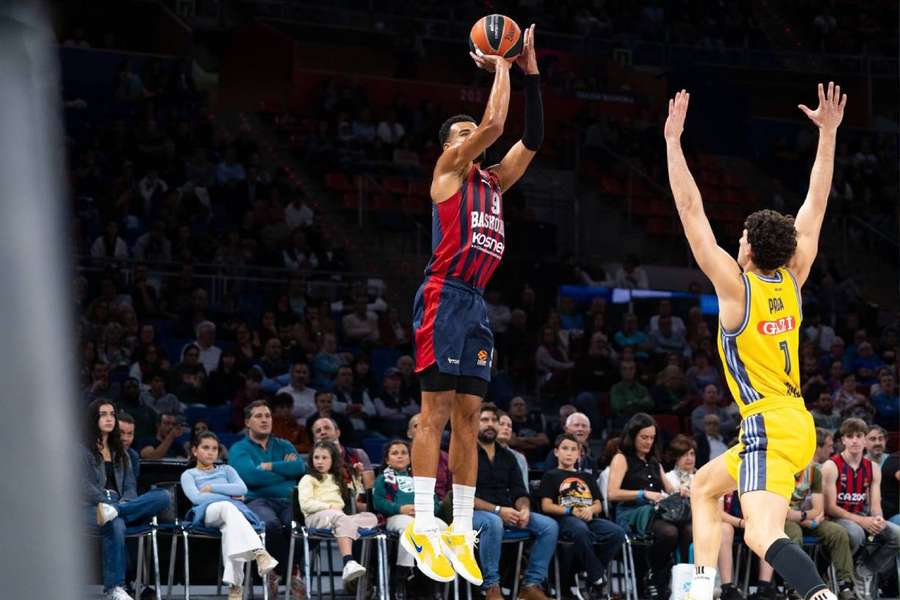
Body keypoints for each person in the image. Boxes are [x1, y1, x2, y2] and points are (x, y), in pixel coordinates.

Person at [665, 83, 847, 600]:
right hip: (791, 424)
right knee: (702, 486)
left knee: (760, 533)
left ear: (746, 247)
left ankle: (820, 596)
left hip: (768, 423)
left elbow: (693, 216)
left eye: (740, 237)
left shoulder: (736, 290)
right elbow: (817, 199)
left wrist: (674, 144)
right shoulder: (794, 275)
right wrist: (829, 135)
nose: (736, 241)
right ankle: (699, 590)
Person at [407, 23, 542, 587]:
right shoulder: (447, 172)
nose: (474, 138)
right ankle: (422, 521)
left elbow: (530, 137)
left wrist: (529, 67)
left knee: (469, 419)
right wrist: (502, 63)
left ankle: (459, 526)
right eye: (461, 134)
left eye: (470, 135)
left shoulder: (494, 182)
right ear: (450, 147)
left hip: (477, 305)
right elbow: (493, 124)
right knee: (433, 414)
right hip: (443, 295)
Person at [86, 399, 171, 600]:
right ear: (93, 419)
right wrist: (107, 505)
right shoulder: (81, 450)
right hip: (92, 506)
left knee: (163, 496)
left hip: (121, 506)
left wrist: (122, 505)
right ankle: (115, 588)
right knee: (114, 522)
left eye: (111, 414)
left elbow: (131, 486)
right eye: (103, 414)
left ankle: (117, 512)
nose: (109, 418)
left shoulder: (122, 453)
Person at [471, 404, 557, 600]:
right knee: (493, 522)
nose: (490, 424)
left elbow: (519, 490)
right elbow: (463, 496)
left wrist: (524, 509)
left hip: (506, 512)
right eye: (485, 420)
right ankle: (491, 587)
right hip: (473, 514)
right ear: (474, 424)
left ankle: (530, 585)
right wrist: (499, 510)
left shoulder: (508, 457)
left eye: (494, 420)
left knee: (549, 526)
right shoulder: (467, 453)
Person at [181, 432, 278, 600]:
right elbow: (196, 498)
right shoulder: (189, 475)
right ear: (195, 451)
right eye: (205, 448)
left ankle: (235, 589)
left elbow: (242, 490)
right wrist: (228, 495)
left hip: (232, 513)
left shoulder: (227, 470)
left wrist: (211, 488)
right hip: (206, 512)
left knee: (230, 530)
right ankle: (259, 551)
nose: (211, 452)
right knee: (227, 506)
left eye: (214, 449)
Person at [229, 400, 307, 597]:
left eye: (267, 416)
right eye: (258, 416)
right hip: (257, 500)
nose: (265, 420)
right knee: (269, 526)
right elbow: (250, 477)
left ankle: (276, 572)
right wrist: (283, 470)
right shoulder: (239, 449)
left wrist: (268, 466)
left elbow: (298, 468)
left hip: (287, 499)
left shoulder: (284, 444)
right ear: (247, 422)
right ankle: (290, 572)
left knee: (298, 527)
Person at [608, 413, 688, 599]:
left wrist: (681, 491)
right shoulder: (621, 459)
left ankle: (679, 581)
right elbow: (612, 494)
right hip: (631, 513)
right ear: (632, 436)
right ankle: (653, 574)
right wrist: (642, 494)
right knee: (669, 532)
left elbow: (670, 490)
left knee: (689, 529)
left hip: (656, 512)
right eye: (644, 437)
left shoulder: (653, 461)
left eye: (652, 438)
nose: (648, 442)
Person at [753, 460, 859, 600]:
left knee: (838, 533)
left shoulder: (814, 471)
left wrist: (805, 518)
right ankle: (793, 587)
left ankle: (845, 585)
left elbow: (818, 509)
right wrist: (806, 518)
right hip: (781, 519)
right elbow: (781, 510)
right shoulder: (776, 469)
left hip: (805, 517)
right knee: (794, 534)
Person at [538, 434, 626, 597]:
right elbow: (546, 505)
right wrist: (570, 510)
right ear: (556, 452)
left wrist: (590, 510)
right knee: (580, 530)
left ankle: (593, 573)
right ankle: (598, 578)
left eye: (573, 449)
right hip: (565, 518)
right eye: (565, 449)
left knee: (617, 533)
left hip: (588, 517)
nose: (569, 453)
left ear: (579, 454)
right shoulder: (551, 475)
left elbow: (599, 504)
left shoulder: (586, 477)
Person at [822, 418, 900, 598]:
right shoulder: (831, 466)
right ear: (843, 440)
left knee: (896, 535)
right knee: (856, 532)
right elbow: (830, 508)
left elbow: (875, 505)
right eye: (850, 436)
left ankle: (864, 569)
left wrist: (878, 519)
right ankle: (837, 572)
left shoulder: (873, 468)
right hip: (837, 519)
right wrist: (863, 521)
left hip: (862, 517)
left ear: (865, 440)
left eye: (859, 436)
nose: (855, 440)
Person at [373, 440, 448, 597]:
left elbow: (435, 503)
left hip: (423, 516)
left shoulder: (420, 478)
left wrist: (425, 510)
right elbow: (378, 502)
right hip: (396, 517)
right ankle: (402, 576)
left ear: (410, 457)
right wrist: (400, 508)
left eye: (403, 453)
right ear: (387, 460)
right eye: (395, 453)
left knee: (442, 527)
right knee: (411, 527)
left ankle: (436, 577)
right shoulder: (383, 479)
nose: (400, 456)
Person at [297, 441, 376, 585]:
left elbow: (356, 495)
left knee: (370, 518)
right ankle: (348, 562)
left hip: (337, 518)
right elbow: (306, 505)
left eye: (324, 458)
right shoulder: (308, 479)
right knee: (341, 517)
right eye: (316, 457)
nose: (320, 461)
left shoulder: (337, 479)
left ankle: (342, 528)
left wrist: (357, 477)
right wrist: (328, 506)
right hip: (315, 518)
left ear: (333, 460)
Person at [407, 414, 451, 500]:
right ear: (409, 433)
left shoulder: (446, 458)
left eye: (427, 426)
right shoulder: (399, 456)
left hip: (439, 507)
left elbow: (450, 490)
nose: (422, 429)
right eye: (417, 426)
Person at [496, 413, 529, 490]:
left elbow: (525, 490)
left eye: (509, 426)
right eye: (501, 424)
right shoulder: (481, 454)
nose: (506, 428)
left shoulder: (520, 458)